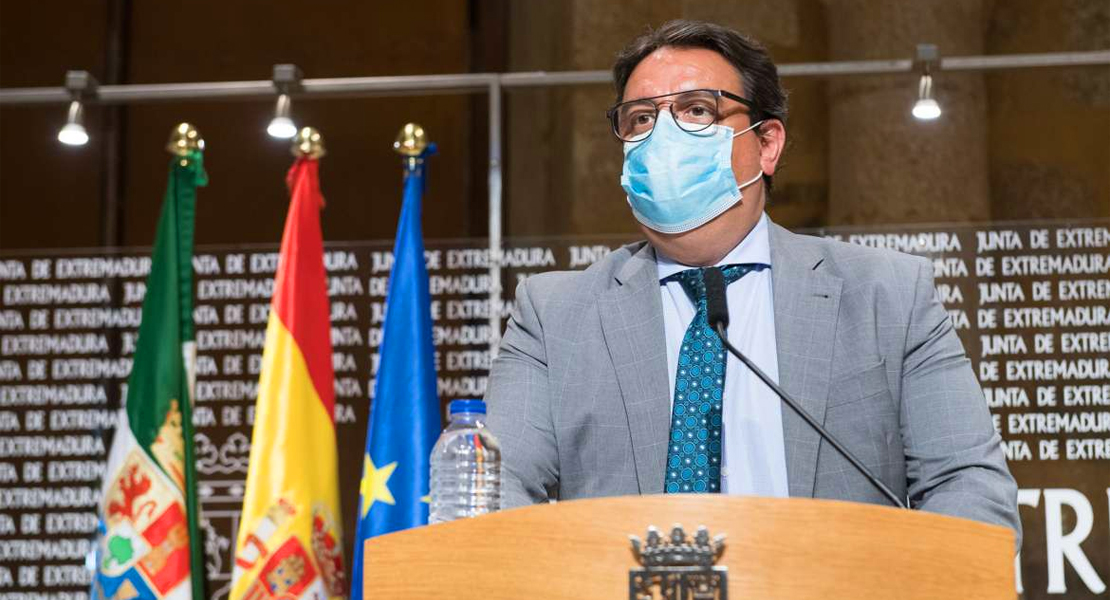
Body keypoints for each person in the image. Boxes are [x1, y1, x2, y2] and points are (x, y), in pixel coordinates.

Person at [484, 19, 1020, 542]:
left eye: (697, 110)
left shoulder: (889, 296)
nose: (663, 136)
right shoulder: (554, 314)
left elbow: (969, 488)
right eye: (641, 118)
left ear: (767, 144)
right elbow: (493, 492)